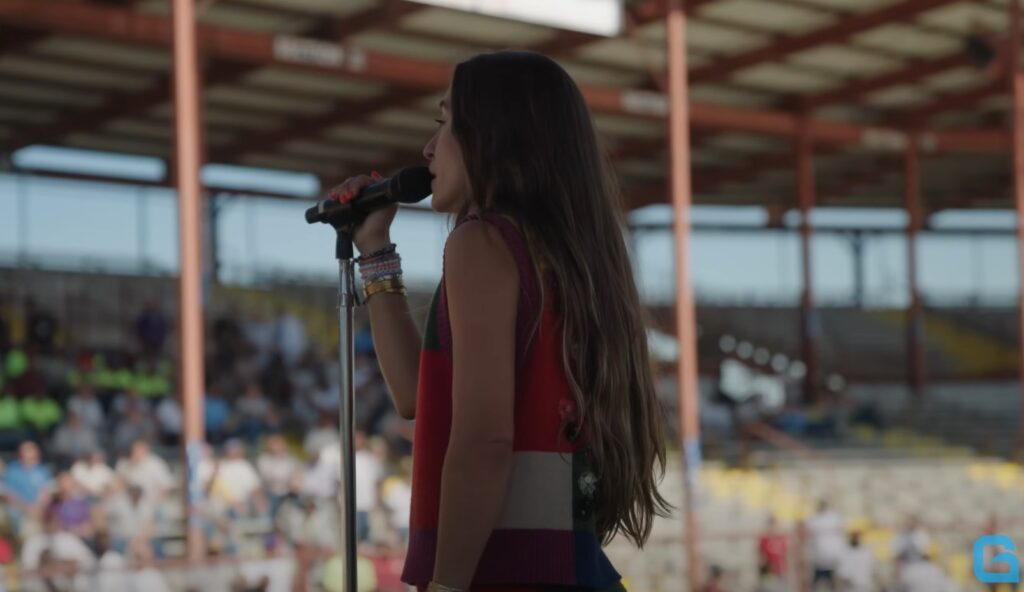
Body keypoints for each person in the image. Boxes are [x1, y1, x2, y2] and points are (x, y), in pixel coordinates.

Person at [327, 50, 670, 591]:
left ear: (494, 135)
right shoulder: (566, 256)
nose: (428, 148)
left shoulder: (482, 242)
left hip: (503, 572)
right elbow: (419, 396)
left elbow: (484, 438)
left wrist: (446, 585)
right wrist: (374, 250)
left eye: (444, 123)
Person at [805, 500, 844, 591]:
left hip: (833, 557)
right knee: (816, 584)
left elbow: (840, 534)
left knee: (834, 584)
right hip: (818, 559)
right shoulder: (812, 519)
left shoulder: (834, 518)